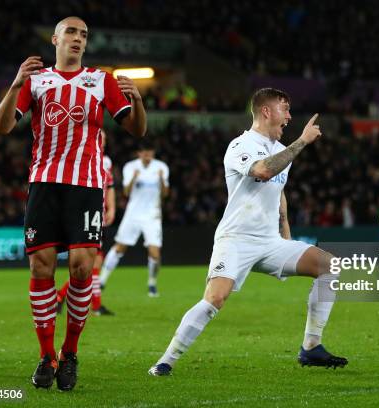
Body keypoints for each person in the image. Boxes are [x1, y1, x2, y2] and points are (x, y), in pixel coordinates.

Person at [148, 88, 348, 376]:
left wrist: (286, 234)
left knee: (331, 265)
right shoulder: (240, 145)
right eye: (285, 109)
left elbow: (278, 193)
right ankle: (166, 360)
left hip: (270, 241)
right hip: (236, 239)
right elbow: (263, 171)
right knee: (215, 299)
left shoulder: (279, 150)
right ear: (266, 111)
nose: (289, 117)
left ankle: (311, 347)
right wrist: (302, 142)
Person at [0, 16, 147, 391]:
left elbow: (136, 129)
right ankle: (47, 355)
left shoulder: (101, 80)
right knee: (40, 266)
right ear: (56, 39)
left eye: (84, 35)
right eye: (72, 33)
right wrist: (15, 84)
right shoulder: (34, 81)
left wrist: (138, 101)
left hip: (86, 185)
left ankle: (70, 352)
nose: (78, 39)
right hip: (44, 184)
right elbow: (2, 126)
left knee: (81, 268)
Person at [99, 139, 169, 297]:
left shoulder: (161, 168)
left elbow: (165, 194)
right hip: (133, 214)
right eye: (145, 152)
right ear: (139, 153)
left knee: (155, 253)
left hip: (152, 215)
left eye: (150, 152)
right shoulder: (131, 167)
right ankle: (102, 280)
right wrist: (134, 178)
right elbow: (126, 192)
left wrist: (161, 180)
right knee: (119, 247)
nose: (148, 155)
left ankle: (152, 283)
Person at [57, 129, 116, 316]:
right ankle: (94, 305)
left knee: (94, 262)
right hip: (87, 214)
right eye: (100, 137)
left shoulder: (106, 161)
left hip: (99, 215)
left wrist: (111, 208)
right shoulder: (82, 158)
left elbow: (110, 186)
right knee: (92, 263)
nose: (103, 141)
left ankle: (64, 297)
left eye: (104, 138)